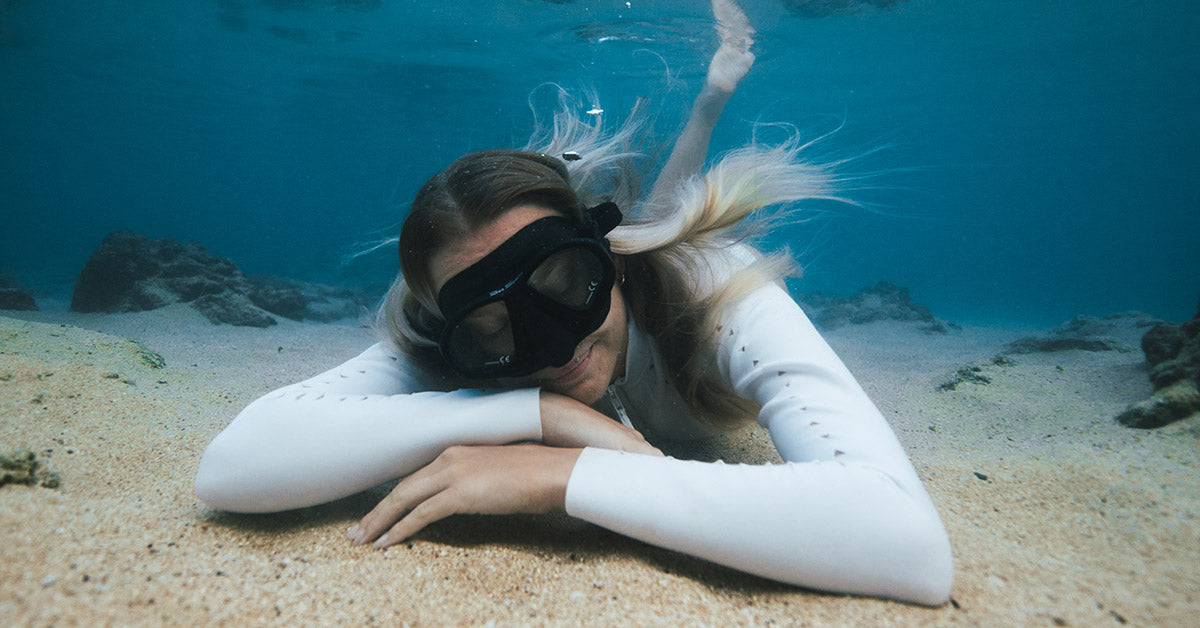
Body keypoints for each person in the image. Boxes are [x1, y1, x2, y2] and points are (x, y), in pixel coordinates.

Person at [195, 0, 953, 606]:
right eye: (495, 333)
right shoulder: (443, 337)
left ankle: (713, 95)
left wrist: (563, 475)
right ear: (457, 332)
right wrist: (536, 416)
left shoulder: (718, 288)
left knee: (661, 225)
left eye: (565, 287)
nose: (553, 348)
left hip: (652, 264)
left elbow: (908, 545)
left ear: (601, 261)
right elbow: (232, 470)